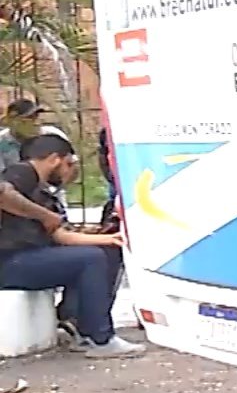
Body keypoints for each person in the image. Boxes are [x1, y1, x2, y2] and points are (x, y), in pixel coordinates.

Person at [0, 134, 142, 358]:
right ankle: (100, 338)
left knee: (104, 253)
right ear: (55, 159)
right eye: (69, 165)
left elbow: (61, 236)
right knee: (89, 259)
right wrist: (45, 215)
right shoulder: (23, 172)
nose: (70, 172)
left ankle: (77, 323)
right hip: (10, 261)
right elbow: (3, 195)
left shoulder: (40, 191)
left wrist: (110, 239)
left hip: (27, 258)